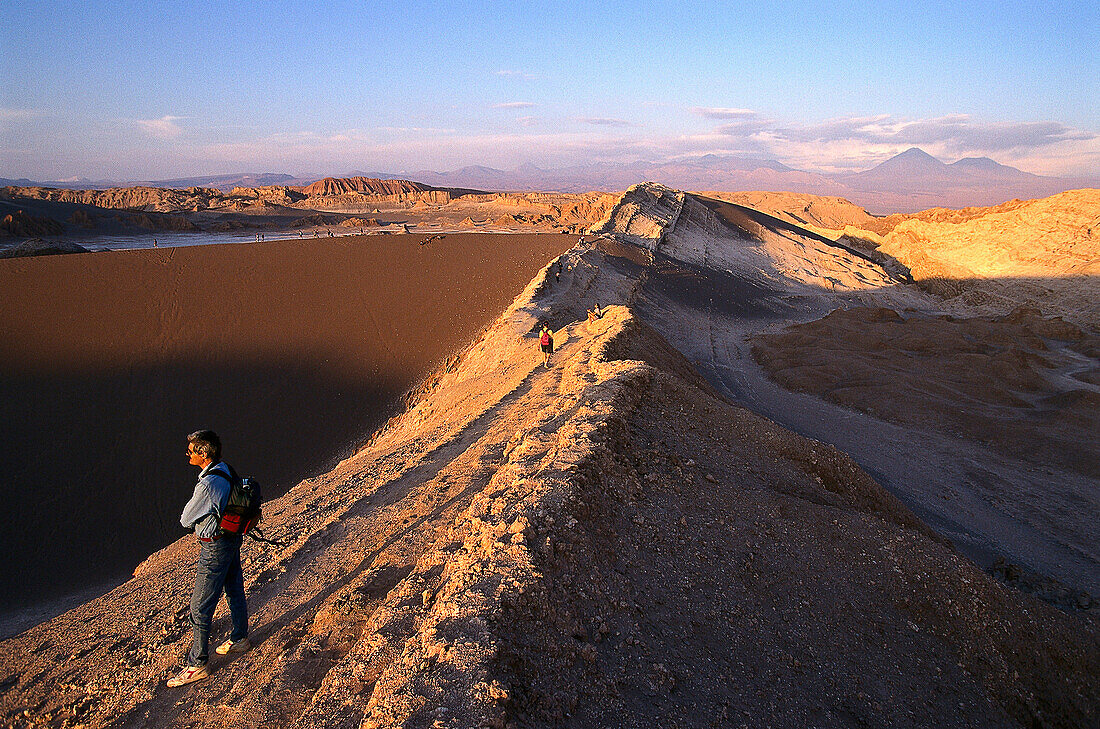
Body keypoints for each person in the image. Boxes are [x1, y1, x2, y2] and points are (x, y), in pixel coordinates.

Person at [167, 430, 250, 687]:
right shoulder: (224, 468)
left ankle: (197, 664)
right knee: (234, 589)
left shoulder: (208, 484)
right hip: (231, 539)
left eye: (191, 450)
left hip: (215, 546)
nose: (187, 454)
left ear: (204, 453)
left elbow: (185, 519)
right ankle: (239, 638)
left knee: (199, 606)